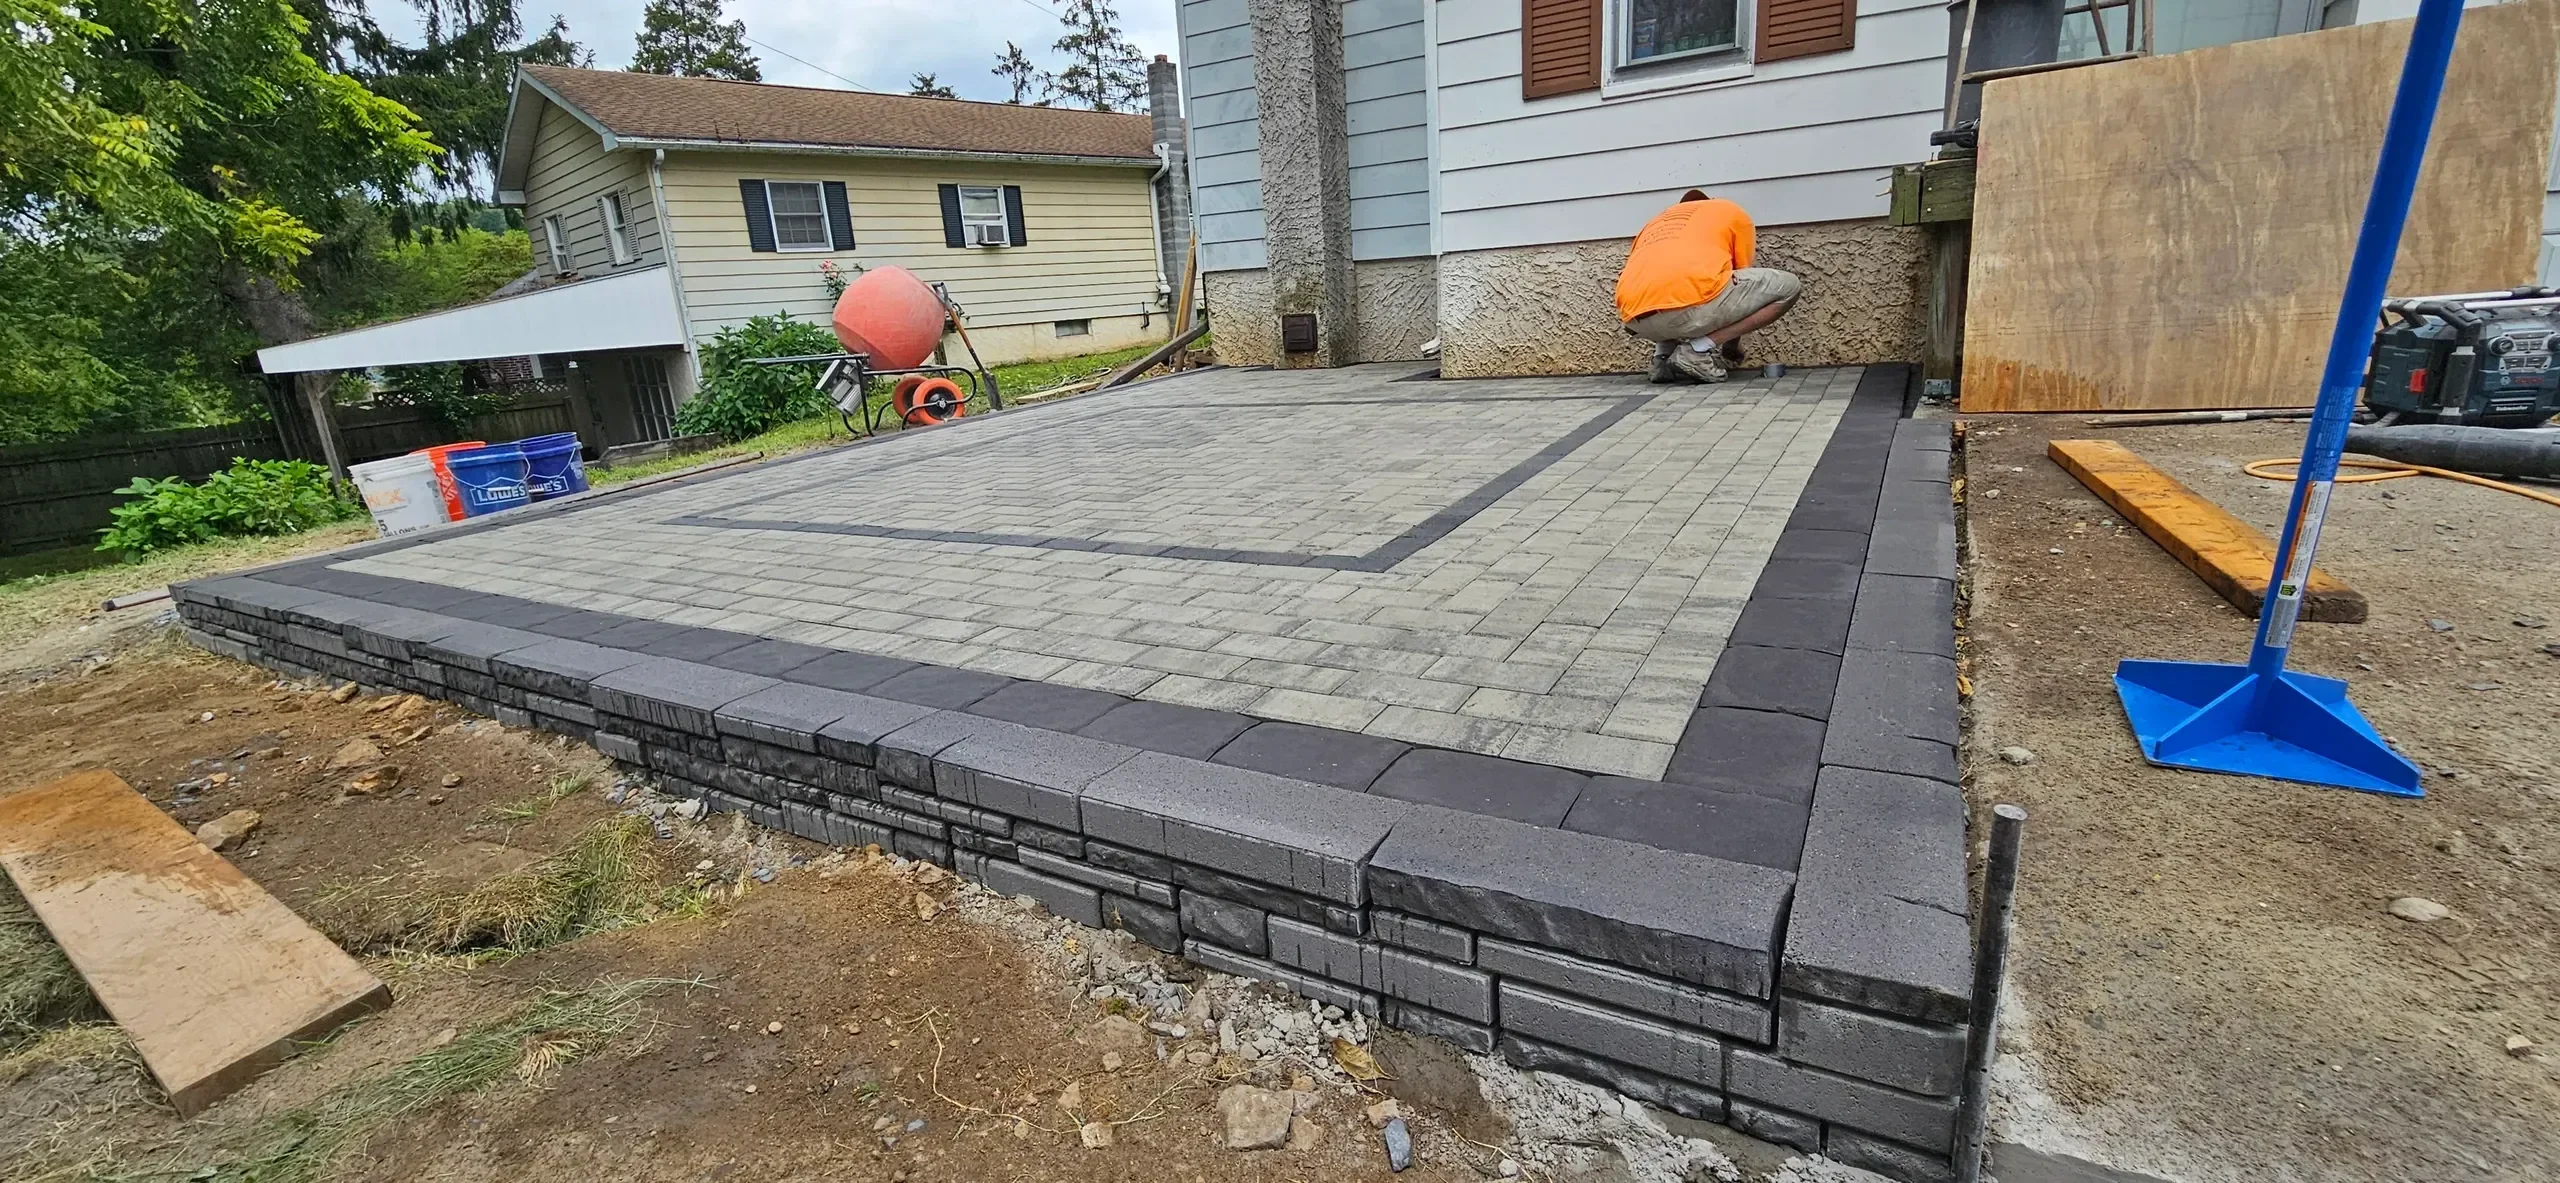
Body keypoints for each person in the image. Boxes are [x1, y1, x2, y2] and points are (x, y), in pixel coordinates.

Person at [1614, 189, 1801, 384]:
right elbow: (1739, 287)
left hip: (1633, 320)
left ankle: (1661, 361)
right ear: (1709, 201)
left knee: (1670, 287)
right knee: (1789, 287)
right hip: (1683, 312)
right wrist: (1731, 343)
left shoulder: (1656, 222)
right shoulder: (1728, 210)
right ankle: (1697, 352)